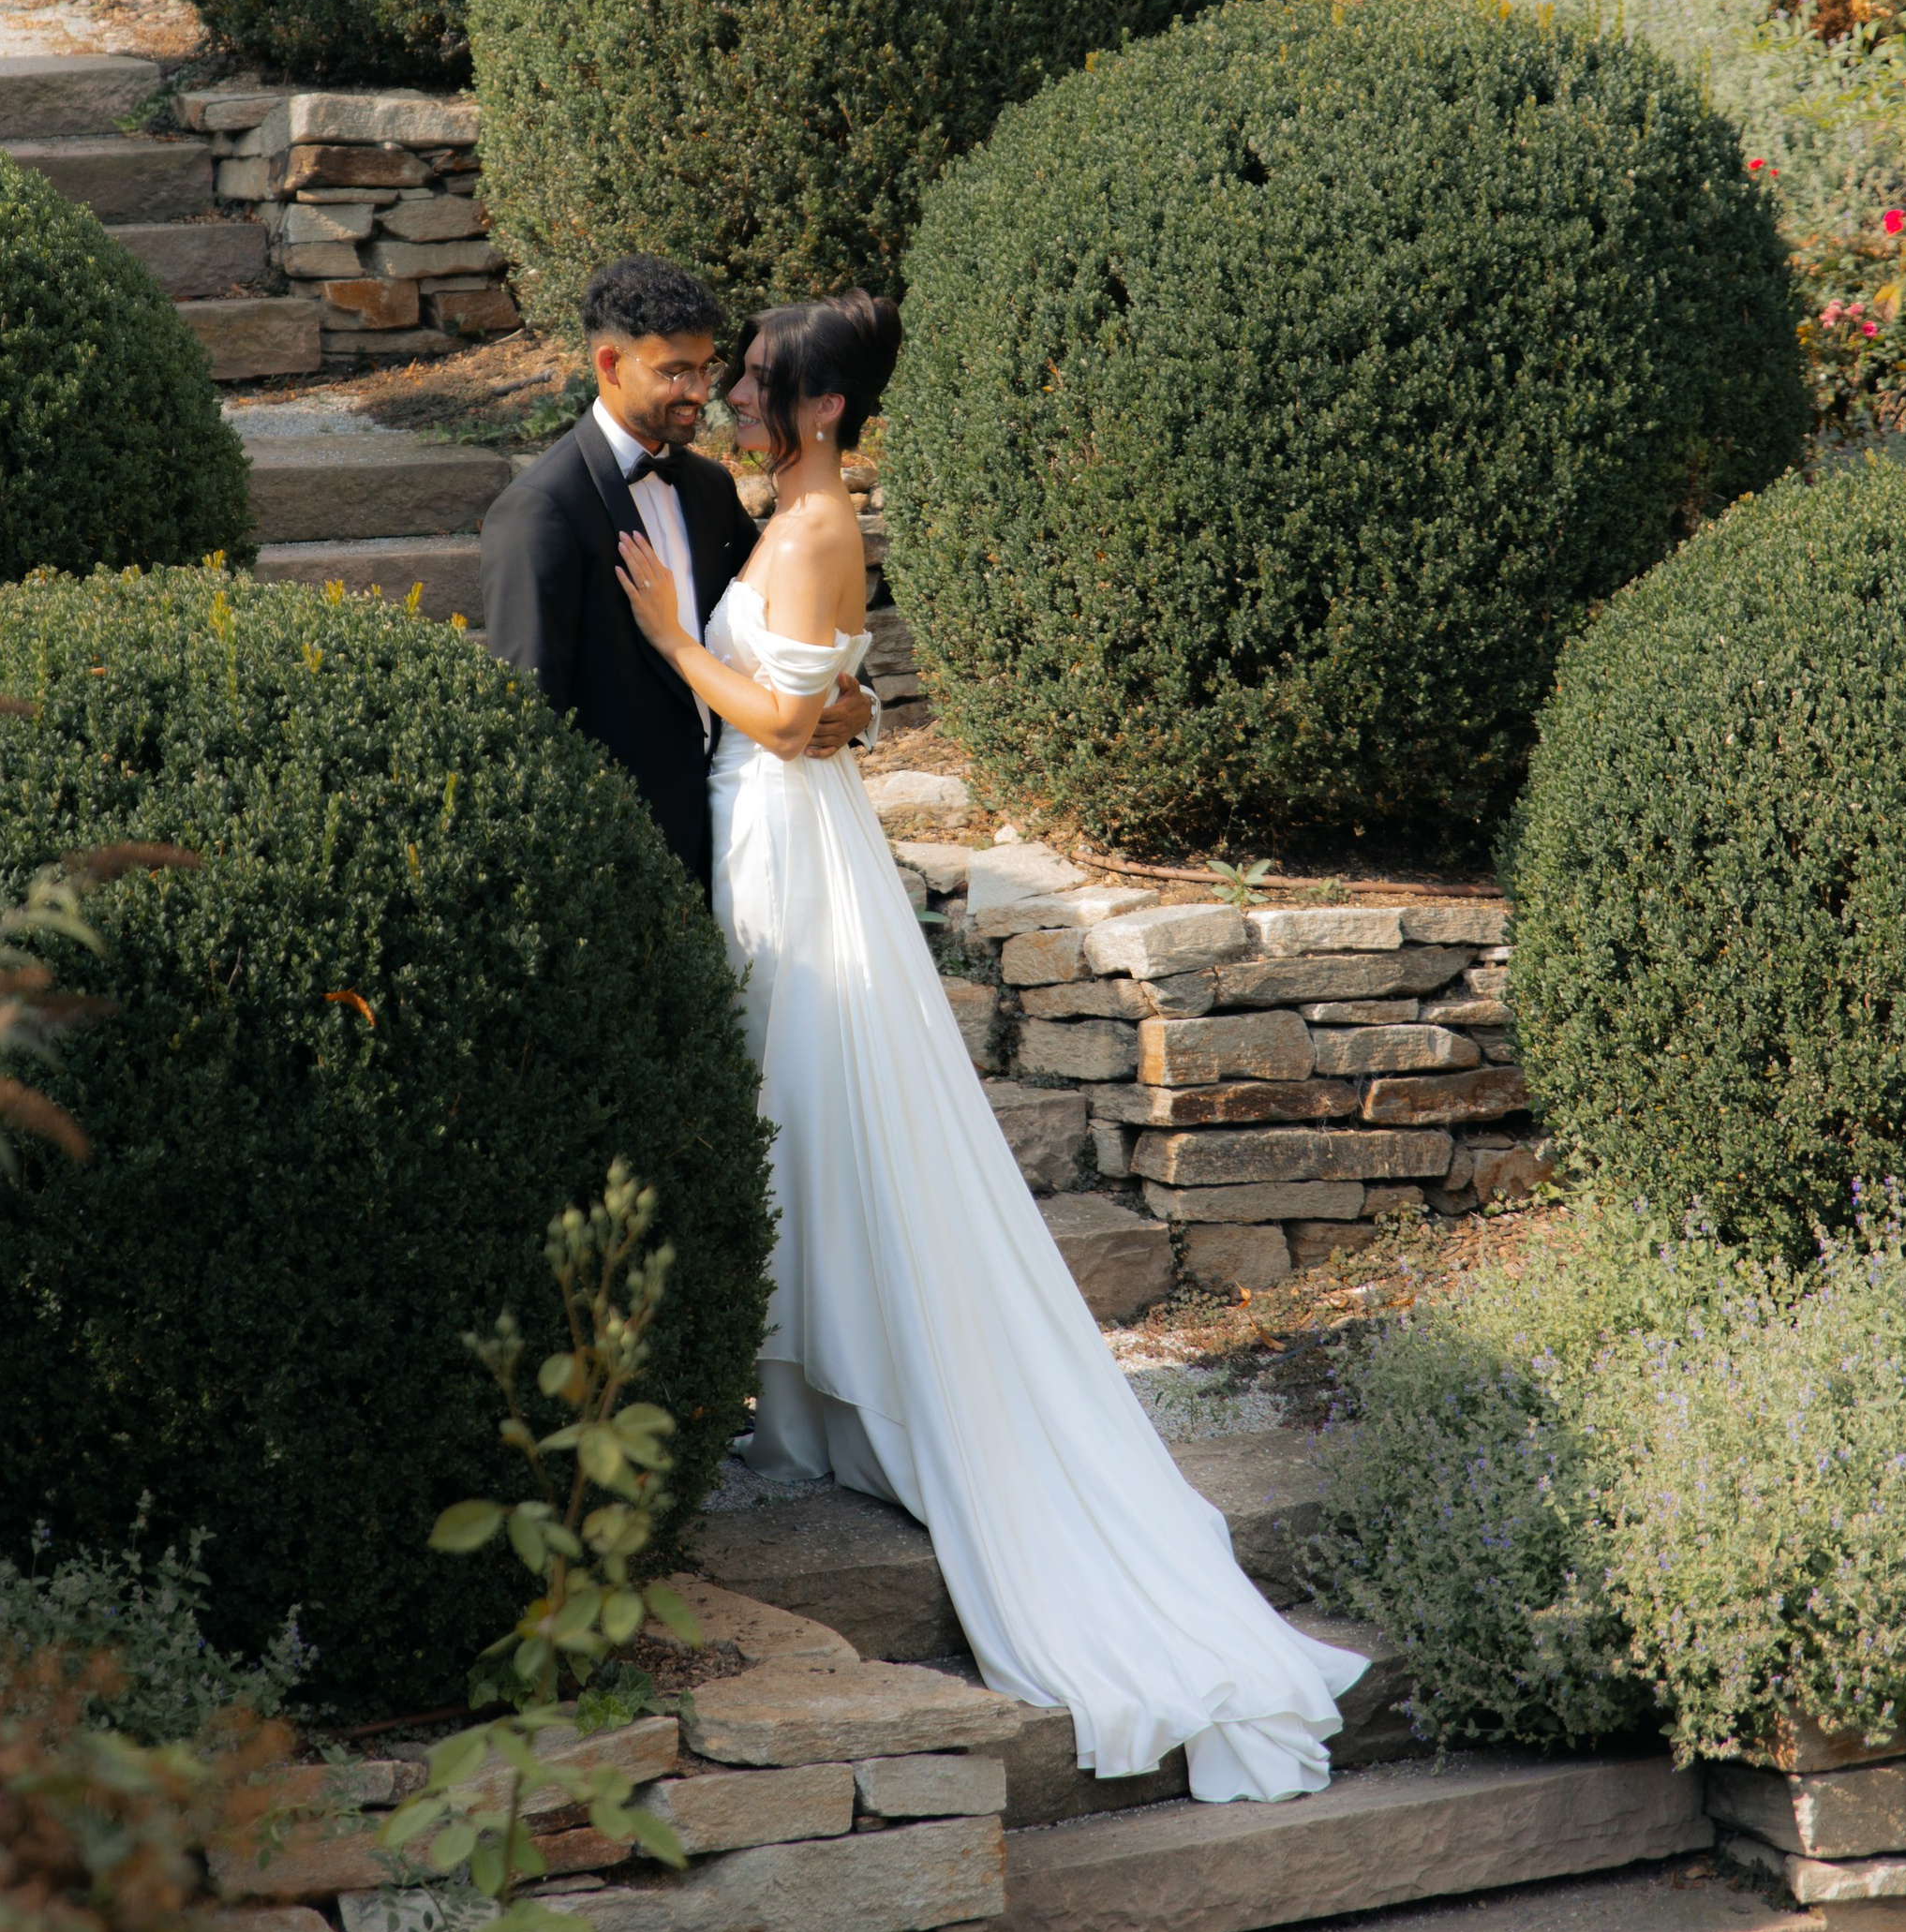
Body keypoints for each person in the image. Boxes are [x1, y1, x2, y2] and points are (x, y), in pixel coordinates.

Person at [615, 285, 1366, 1805]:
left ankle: (864, 1394)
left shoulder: (818, 528)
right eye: (737, 379)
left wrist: (673, 641)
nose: (738, 400)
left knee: (823, 1109)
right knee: (799, 1113)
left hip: (791, 843)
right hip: (773, 838)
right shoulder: (787, 516)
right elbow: (828, 702)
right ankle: (812, 1400)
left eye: (758, 382)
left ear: (824, 407)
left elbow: (782, 723)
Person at [480, 255, 872, 890]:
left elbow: (796, 620)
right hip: (623, 851)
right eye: (675, 372)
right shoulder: (540, 510)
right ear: (610, 364)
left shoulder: (711, 488)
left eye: (706, 367)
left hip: (746, 835)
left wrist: (860, 706)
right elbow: (529, 714)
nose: (701, 390)